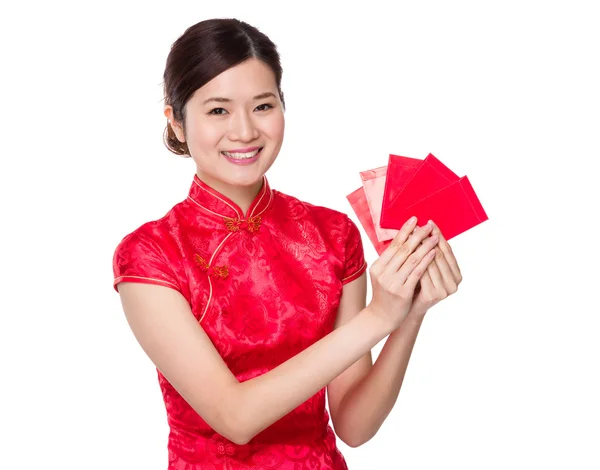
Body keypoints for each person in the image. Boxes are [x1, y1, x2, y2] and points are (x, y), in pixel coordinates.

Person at [112, 18, 463, 470]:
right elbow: (234, 417)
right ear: (176, 122)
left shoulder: (333, 236)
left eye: (263, 105)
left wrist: (409, 314)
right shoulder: (150, 253)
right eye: (218, 110)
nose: (244, 131)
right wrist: (379, 316)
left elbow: (354, 426)